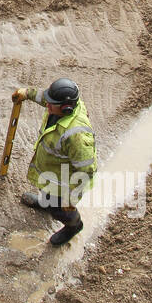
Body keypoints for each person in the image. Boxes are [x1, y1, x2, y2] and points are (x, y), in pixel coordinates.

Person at [12, 77, 97, 246]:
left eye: (52, 104)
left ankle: (74, 226)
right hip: (50, 173)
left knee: (59, 210)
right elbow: (44, 97)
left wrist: (71, 199)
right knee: (46, 194)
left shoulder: (77, 136)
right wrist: (26, 93)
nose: (47, 106)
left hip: (63, 183)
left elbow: (86, 171)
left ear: (66, 109)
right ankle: (45, 202)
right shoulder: (60, 104)